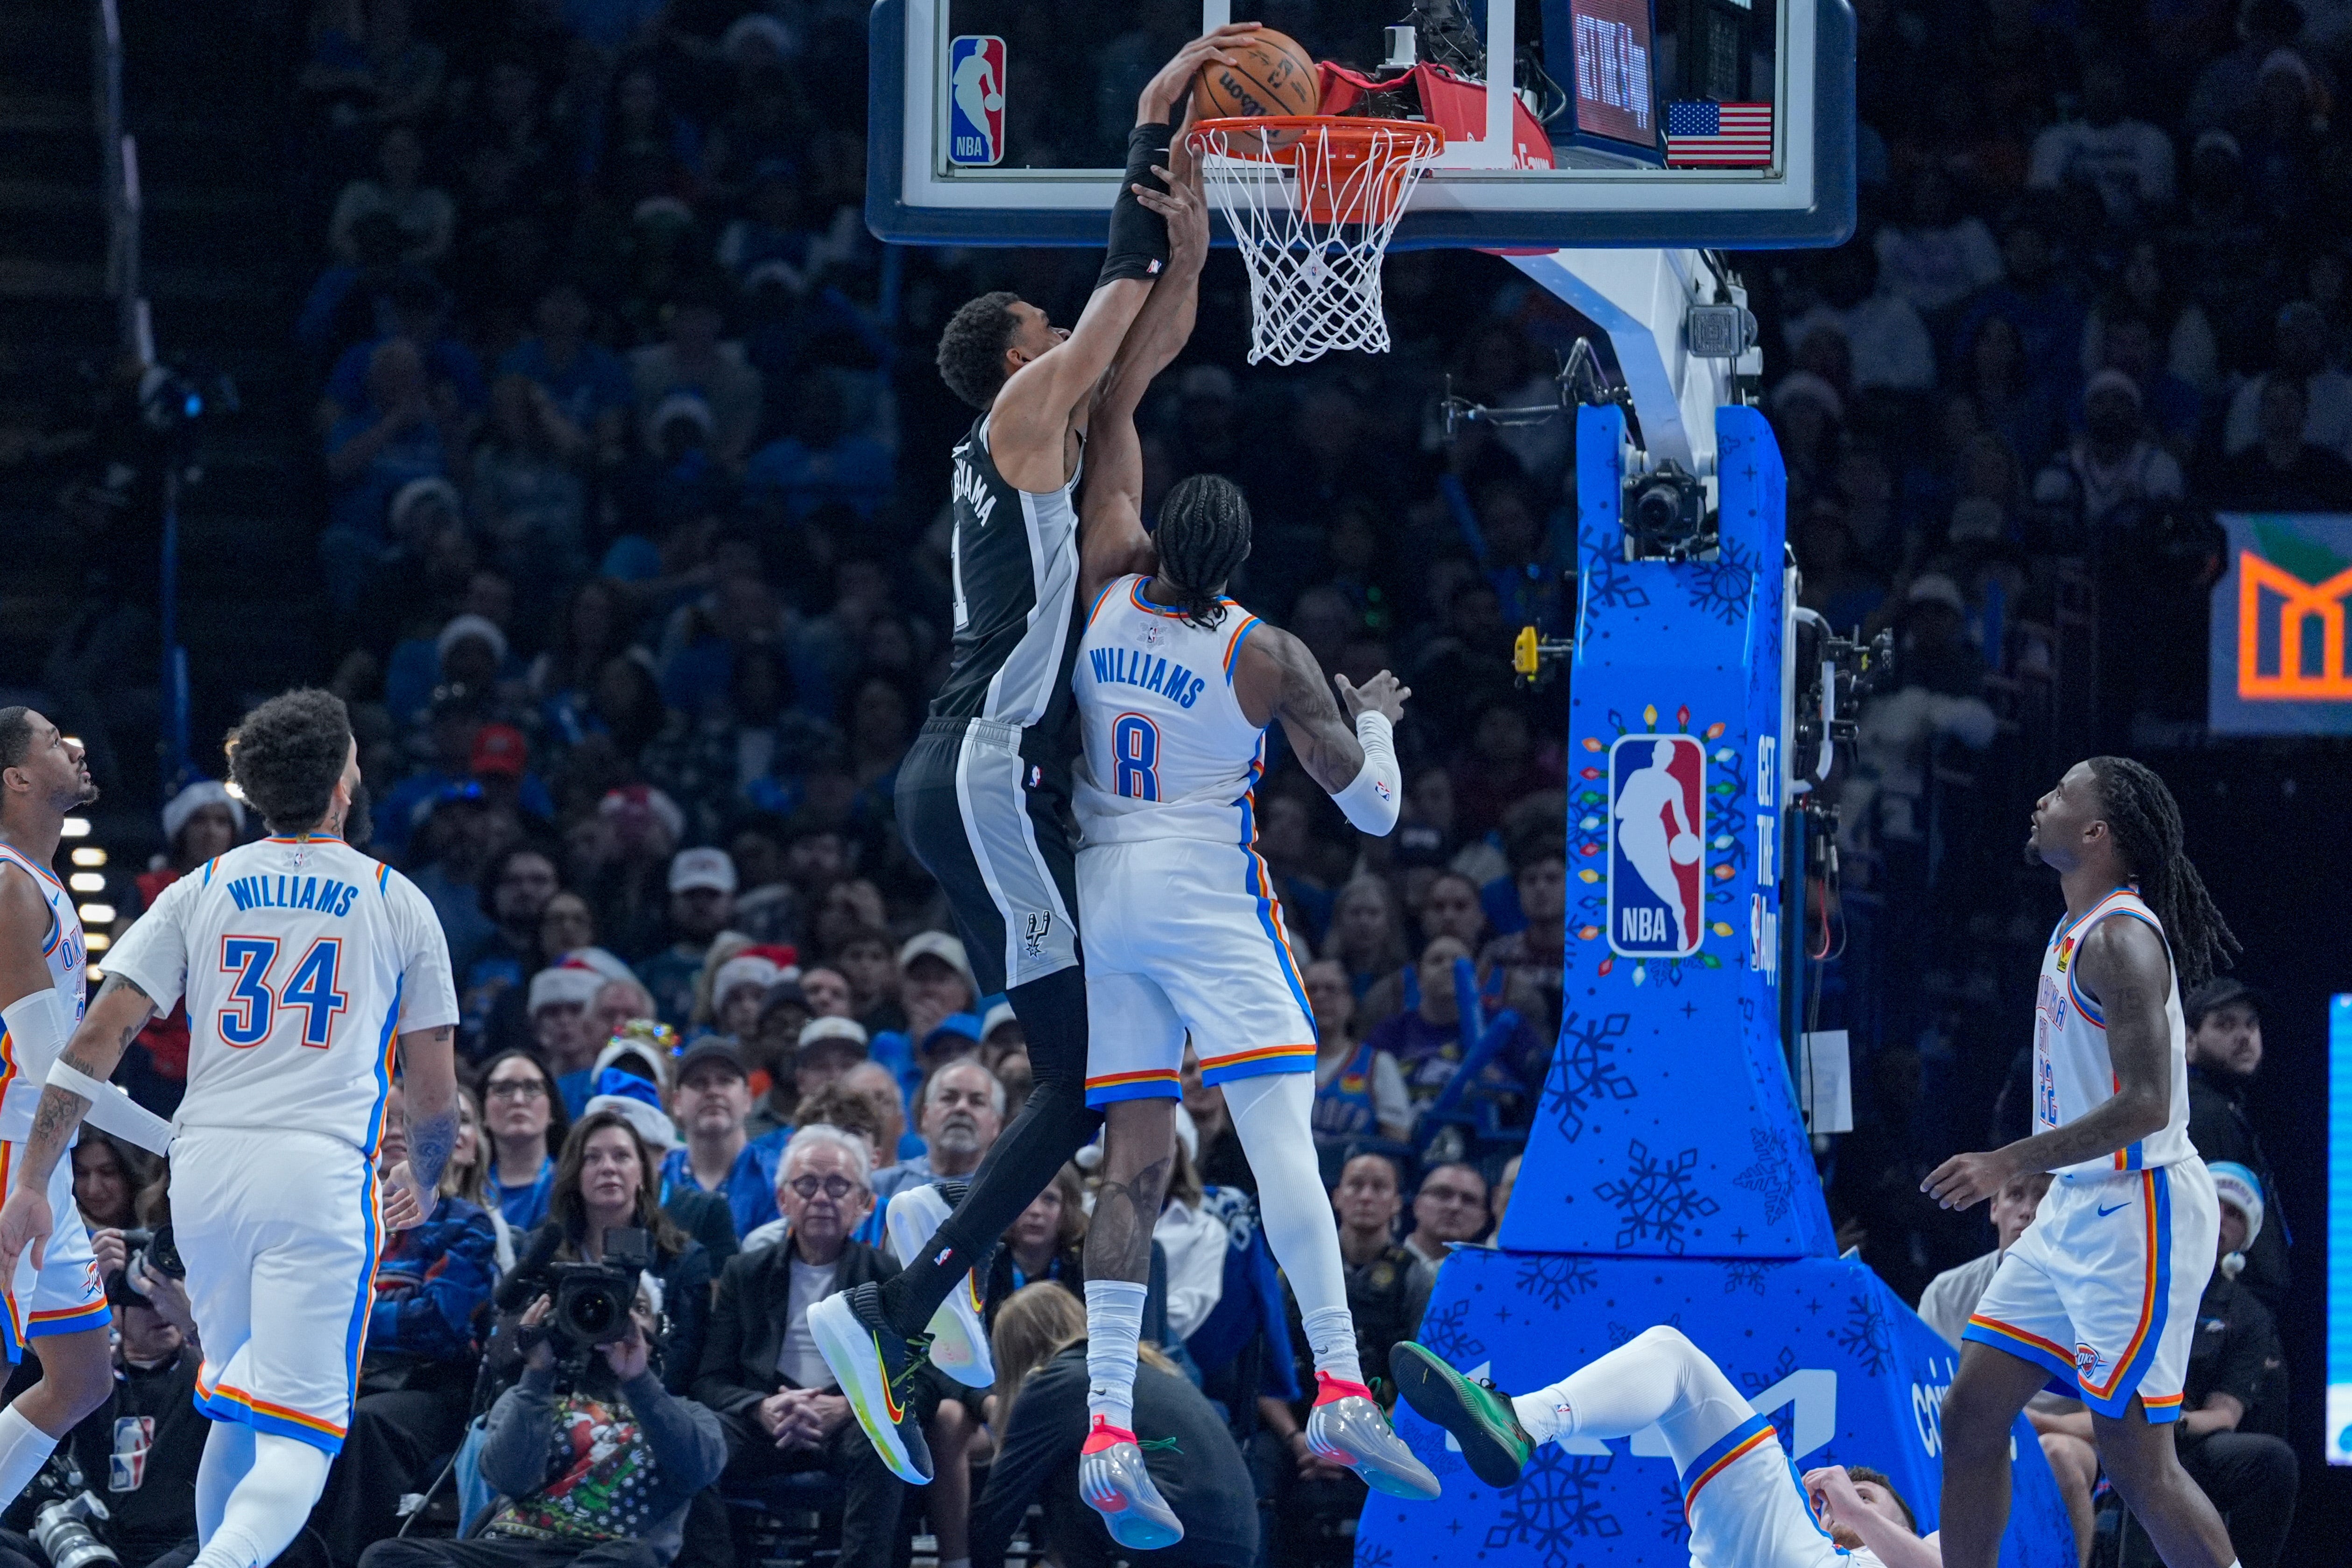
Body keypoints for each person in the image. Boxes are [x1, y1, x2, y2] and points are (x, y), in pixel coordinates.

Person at [804, 26, 1265, 1487]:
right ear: (1018, 353)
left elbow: (1134, 348)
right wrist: (1149, 127)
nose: (1067, 334)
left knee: (1081, 1079)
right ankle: (889, 1305)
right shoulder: (1012, 414)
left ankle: (898, 1303)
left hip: (985, 778)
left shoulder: (1054, 445)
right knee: (1071, 1084)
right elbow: (1108, 313)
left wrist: (1190, 251)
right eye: (1046, 327)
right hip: (985, 770)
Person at [1053, 160, 1431, 1538]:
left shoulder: (1103, 585)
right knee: (1280, 1144)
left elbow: (1111, 418)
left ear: (1161, 540)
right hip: (1203, 891)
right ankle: (1339, 1383)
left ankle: (1105, 1421)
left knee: (1134, 1163)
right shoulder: (1264, 653)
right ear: (1242, 560)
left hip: (1102, 890)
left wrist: (1166, 256)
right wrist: (1374, 717)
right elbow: (1371, 813)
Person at [0, 688, 462, 1568]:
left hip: (206, 1174)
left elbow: (88, 1049)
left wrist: (35, 1175)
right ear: (340, 785)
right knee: (303, 1437)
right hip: (315, 1170)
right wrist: (429, 1174)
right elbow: (433, 1094)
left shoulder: (199, 887)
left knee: (235, 1405)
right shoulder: (396, 898)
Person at [1921, 756, 2242, 1568]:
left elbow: (2147, 1105)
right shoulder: (2076, 925)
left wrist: (2006, 1162)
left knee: (2138, 1465)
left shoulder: (2120, 940)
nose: (2042, 798)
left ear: (2097, 831)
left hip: (2140, 1210)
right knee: (1969, 1413)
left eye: (2062, 792)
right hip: (2077, 1203)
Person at [1391, 1329, 1935, 1568]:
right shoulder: (1779, 1536)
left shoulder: (1937, 1541)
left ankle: (1523, 1420)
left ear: (1910, 1525)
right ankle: (1521, 1421)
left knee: (1675, 1358)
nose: (1839, 1504)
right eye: (1843, 1500)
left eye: (1870, 1496)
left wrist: (1856, 1512)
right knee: (1670, 1362)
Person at [362, 1279, 725, 1568]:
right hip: (511, 1548)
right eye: (602, 1305)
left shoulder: (688, 1414)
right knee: (387, 1556)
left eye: (639, 1309)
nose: (621, 1318)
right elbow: (509, 1478)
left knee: (631, 1559)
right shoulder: (530, 1396)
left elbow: (698, 1470)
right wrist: (537, 1374)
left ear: (660, 1332)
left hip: (606, 1554)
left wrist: (639, 1382)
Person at [690, 1126, 919, 1568]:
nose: (821, 1198)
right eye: (807, 1184)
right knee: (692, 1440)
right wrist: (760, 1408)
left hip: (850, 1422)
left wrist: (851, 1408)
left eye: (838, 1186)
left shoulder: (887, 1276)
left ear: (863, 1203)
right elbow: (710, 1379)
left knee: (886, 1444)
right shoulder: (745, 1272)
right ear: (783, 1200)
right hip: (765, 1418)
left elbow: (914, 1376)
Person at [0, 709, 115, 1511]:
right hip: (10, 1154)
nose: (73, 745)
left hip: (49, 1156)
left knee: (82, 1376)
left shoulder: (39, 878)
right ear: (16, 777)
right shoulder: (7, 883)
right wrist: (175, 1135)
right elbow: (52, 1066)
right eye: (51, 740)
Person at [969, 1283, 1258, 1568]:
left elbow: (1001, 1504)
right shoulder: (1144, 1365)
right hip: (1237, 1538)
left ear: (1013, 1353)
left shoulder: (1054, 1383)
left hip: (1179, 1531)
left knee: (1068, 1470)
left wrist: (979, 1560)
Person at [1914, 1171, 2098, 1567]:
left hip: (2059, 1436)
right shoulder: (1946, 1292)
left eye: (2043, 1197)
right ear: (1994, 1208)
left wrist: (2034, 1423)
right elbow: (1922, 1392)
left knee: (2057, 1454)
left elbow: (2105, 1420)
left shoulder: (2092, 1298)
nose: (2028, 1211)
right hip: (1965, 1433)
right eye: (2015, 1195)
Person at [521, 1109, 714, 1396]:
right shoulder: (543, 1250)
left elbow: (684, 1367)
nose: (608, 1168)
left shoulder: (683, 1259)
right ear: (574, 1174)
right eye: (592, 1158)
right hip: (558, 1399)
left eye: (622, 1156)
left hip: (651, 1401)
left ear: (642, 1173)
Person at [2180, 979, 2288, 1306]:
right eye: (2225, 1025)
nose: (2244, 1036)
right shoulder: (2203, 1113)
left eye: (2251, 1025)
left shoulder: (2223, 1105)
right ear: (2189, 1040)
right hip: (2225, 1312)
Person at [658, 1038, 782, 1239]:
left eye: (725, 1081)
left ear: (748, 1099)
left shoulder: (778, 1176)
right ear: (677, 1103)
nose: (713, 1092)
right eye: (699, 1083)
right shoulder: (659, 1178)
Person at [871, 1058, 1004, 1207]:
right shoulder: (880, 1187)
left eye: (976, 1102)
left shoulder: (1007, 1195)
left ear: (996, 1124)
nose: (961, 1108)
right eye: (949, 1098)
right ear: (925, 1116)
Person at [481, 1048, 567, 1231]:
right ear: (482, 1111)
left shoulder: (573, 1185)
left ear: (552, 1109)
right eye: (503, 1089)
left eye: (532, 1088)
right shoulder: (467, 1191)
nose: (518, 1100)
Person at [1402, 1163, 1490, 1268]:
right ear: (1418, 1205)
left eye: (1469, 1200)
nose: (1455, 1207)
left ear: (1483, 1219)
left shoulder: (1489, 1275)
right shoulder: (1383, 1259)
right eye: (1443, 1195)